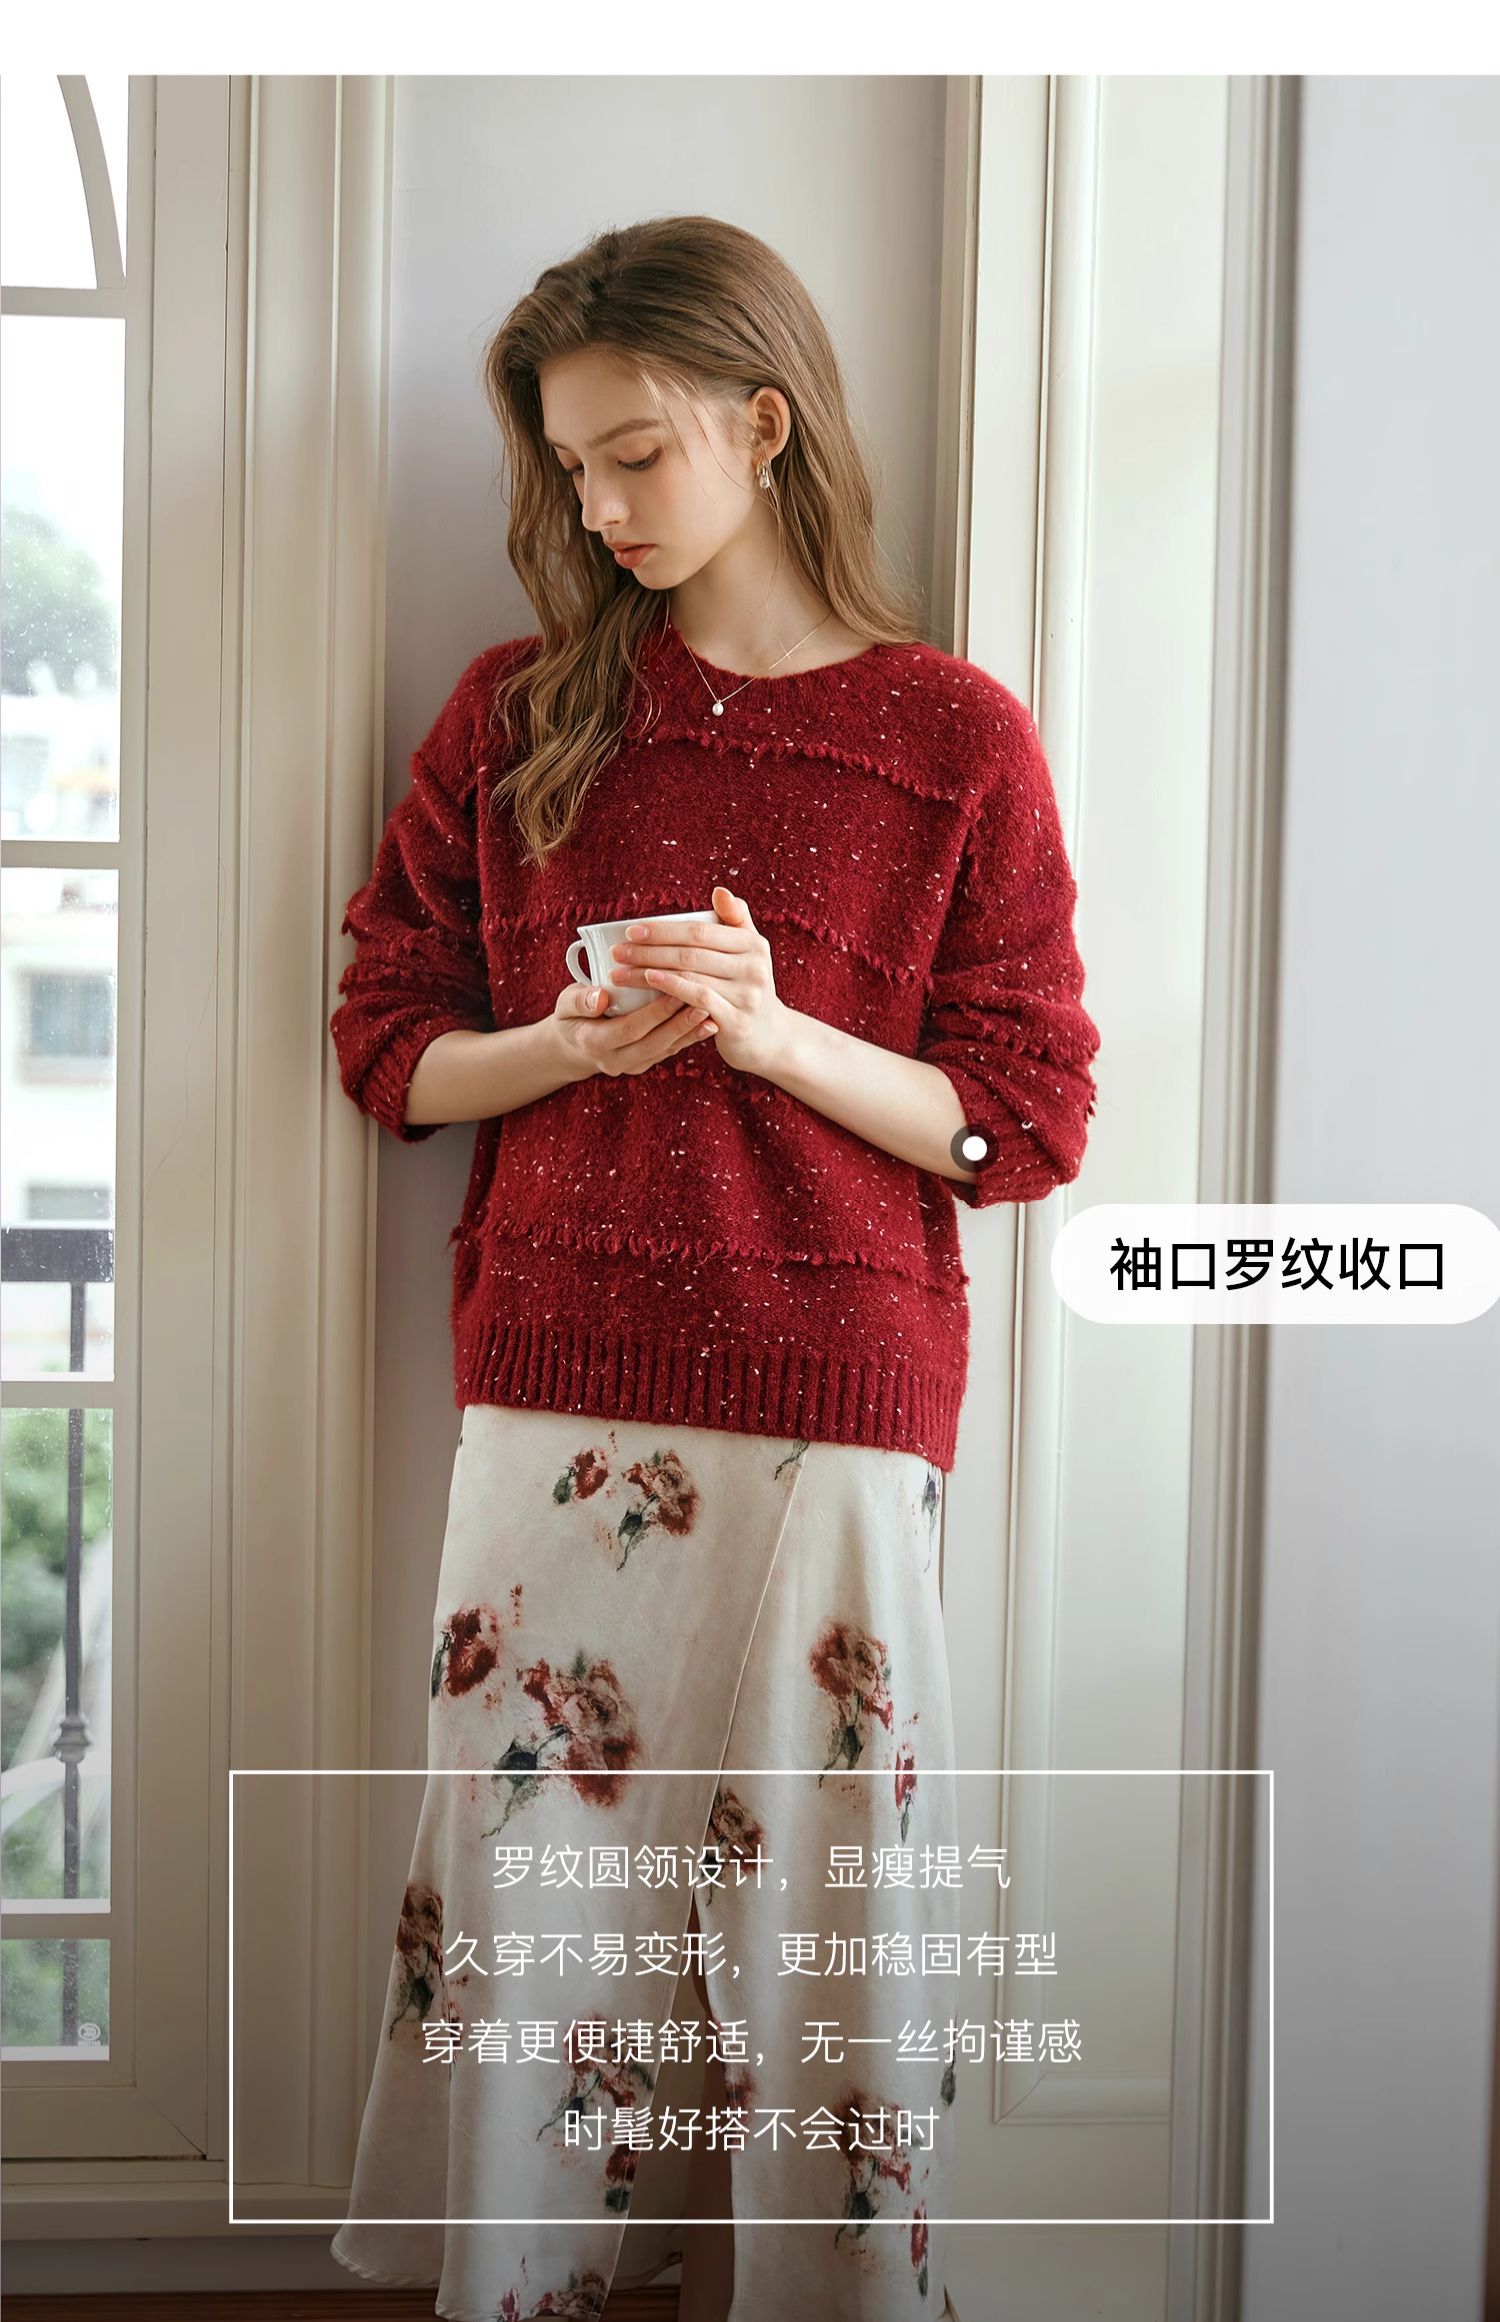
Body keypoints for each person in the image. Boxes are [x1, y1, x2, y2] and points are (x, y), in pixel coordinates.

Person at [327, 214, 1099, 2322]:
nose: (598, 508)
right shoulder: (520, 716)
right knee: (535, 1899)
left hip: (835, 1415)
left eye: (635, 454)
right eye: (569, 467)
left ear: (765, 425)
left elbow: (1022, 1120)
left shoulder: (953, 736)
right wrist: (562, 1049)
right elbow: (388, 1046)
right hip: (555, 1392)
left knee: (828, 1911)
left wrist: (775, 1034)